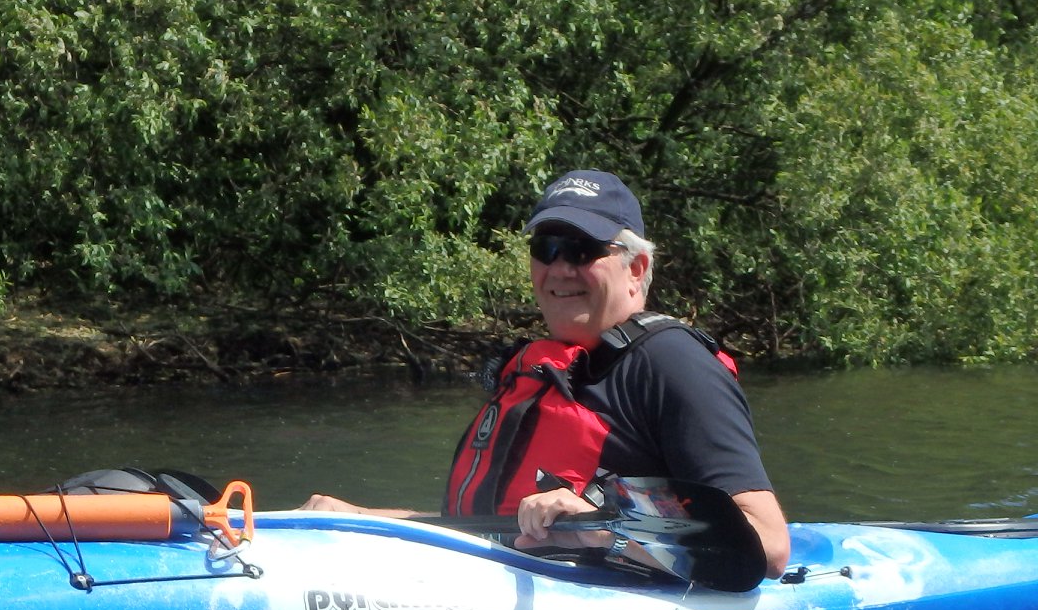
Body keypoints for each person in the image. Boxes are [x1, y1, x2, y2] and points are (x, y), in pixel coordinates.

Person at [302, 169, 789, 580]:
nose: (559, 268)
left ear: (637, 268)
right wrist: (361, 520)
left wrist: (602, 529)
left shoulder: (673, 365)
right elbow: (485, 528)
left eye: (581, 250)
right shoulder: (542, 371)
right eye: (546, 248)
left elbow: (767, 546)